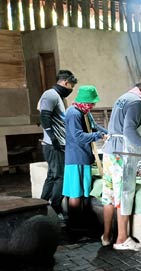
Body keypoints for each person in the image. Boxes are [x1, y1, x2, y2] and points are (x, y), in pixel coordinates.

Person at [101, 75, 141, 251]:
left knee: (109, 195)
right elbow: (128, 131)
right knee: (124, 194)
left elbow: (121, 126)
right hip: (122, 155)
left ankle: (106, 236)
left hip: (109, 152)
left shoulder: (123, 98)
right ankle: (121, 239)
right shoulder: (136, 102)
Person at [62, 85, 108, 229]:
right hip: (75, 157)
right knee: (75, 192)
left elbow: (93, 127)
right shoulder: (74, 113)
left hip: (85, 156)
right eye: (91, 103)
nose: (93, 105)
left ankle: (83, 222)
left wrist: (109, 133)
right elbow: (78, 136)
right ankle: (74, 225)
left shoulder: (85, 112)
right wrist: (98, 136)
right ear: (84, 101)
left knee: (83, 191)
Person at [38, 70, 78, 221]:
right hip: (54, 145)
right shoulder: (50, 94)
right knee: (60, 176)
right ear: (66, 82)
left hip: (58, 143)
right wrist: (53, 138)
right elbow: (44, 116)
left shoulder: (58, 97)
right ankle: (55, 208)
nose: (71, 89)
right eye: (71, 86)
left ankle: (41, 205)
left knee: (52, 176)